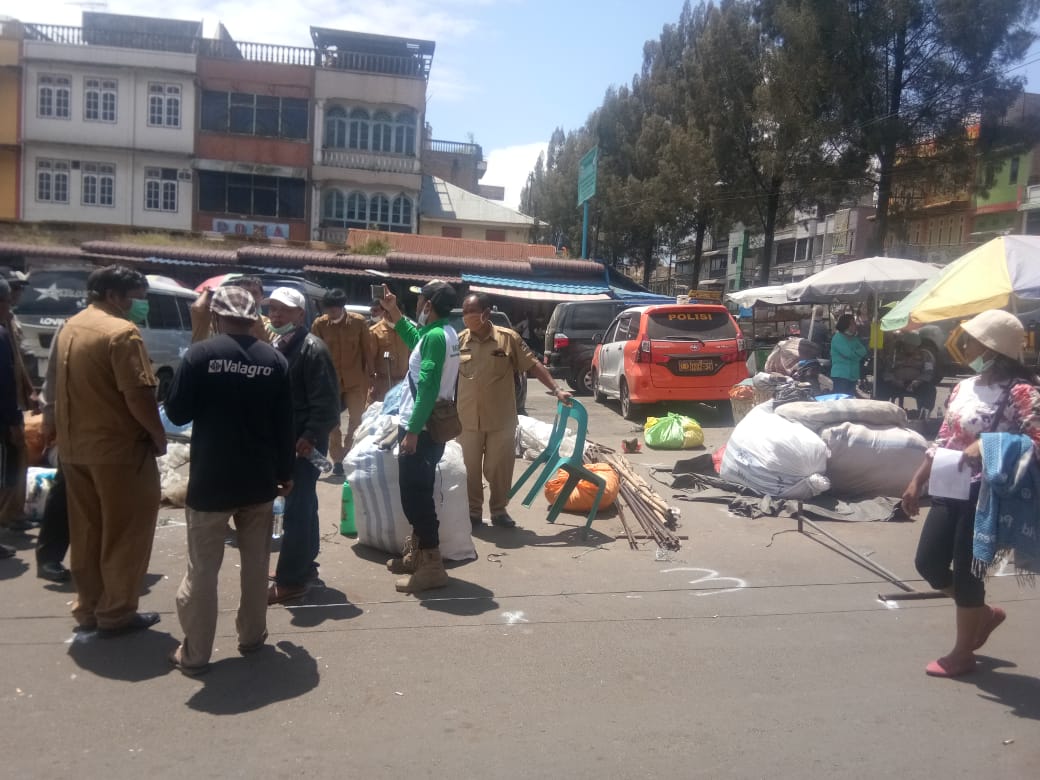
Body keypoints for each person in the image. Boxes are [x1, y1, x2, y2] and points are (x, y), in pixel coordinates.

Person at [901, 309, 1040, 678]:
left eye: (974, 340)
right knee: (928, 562)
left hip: (987, 497)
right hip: (949, 486)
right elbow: (944, 438)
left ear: (993, 347)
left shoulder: (1024, 393)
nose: (966, 345)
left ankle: (962, 653)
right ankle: (982, 612)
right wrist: (917, 481)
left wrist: (990, 444)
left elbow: (1038, 442)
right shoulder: (964, 387)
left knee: (967, 575)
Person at [164, 286, 295, 675]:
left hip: (211, 482)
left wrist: (195, 334)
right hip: (258, 482)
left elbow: (176, 411)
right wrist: (285, 474)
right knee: (256, 566)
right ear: (255, 318)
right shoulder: (274, 360)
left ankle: (196, 654)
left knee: (203, 569)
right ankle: (252, 637)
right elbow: (284, 425)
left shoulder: (201, 355)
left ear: (217, 317)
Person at [55, 265, 166, 636]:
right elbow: (138, 395)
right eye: (139, 298)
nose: (143, 305)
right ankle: (117, 612)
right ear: (115, 296)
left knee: (87, 530)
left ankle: (88, 606)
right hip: (119, 451)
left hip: (76, 447)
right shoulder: (122, 333)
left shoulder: (72, 325)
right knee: (126, 531)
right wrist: (158, 436)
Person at [457, 292, 571, 528]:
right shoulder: (459, 341)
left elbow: (533, 365)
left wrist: (557, 389)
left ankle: (499, 511)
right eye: (465, 312)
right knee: (469, 469)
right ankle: (473, 512)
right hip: (467, 419)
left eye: (472, 312)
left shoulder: (508, 339)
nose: (467, 317)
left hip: (501, 419)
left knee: (499, 469)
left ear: (486, 314)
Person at [378, 280, 460, 593]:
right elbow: (416, 338)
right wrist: (394, 312)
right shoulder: (442, 333)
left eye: (420, 299)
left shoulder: (438, 337)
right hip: (424, 426)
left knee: (415, 498)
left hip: (421, 429)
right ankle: (419, 555)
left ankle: (432, 566)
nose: (417, 304)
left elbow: (426, 387)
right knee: (417, 493)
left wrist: (412, 432)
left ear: (429, 305)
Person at [265, 287, 340, 605]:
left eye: (284, 310)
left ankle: (292, 579)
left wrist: (307, 439)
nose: (276, 315)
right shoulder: (279, 344)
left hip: (303, 444)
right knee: (303, 505)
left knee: (297, 508)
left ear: (300, 314)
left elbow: (327, 405)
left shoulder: (312, 349)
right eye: (272, 309)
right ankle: (304, 564)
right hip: (287, 440)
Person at [310, 288, 374, 474]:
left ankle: (349, 454)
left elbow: (367, 350)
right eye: (328, 309)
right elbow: (314, 352)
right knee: (332, 422)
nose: (331, 313)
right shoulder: (319, 324)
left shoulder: (358, 322)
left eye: (334, 309)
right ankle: (337, 459)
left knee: (356, 419)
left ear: (342, 307)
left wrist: (372, 376)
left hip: (355, 379)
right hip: (329, 381)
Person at [0, 268, 37, 532]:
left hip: (13, 405)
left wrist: (29, 390)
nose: (16, 295)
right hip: (5, 413)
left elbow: (16, 365)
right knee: (8, 469)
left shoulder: (10, 322)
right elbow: (4, 378)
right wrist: (12, 419)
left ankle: (12, 513)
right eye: (13, 290)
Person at [35, 322, 70, 582]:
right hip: (76, 427)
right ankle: (49, 558)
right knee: (64, 494)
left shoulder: (126, 327)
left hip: (111, 433)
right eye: (133, 298)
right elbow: (53, 375)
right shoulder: (71, 328)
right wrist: (49, 416)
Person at [190, 275, 272, 343]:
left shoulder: (267, 326)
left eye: (254, 293)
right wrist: (207, 292)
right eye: (244, 292)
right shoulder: (215, 321)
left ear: (262, 297)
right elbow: (197, 308)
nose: (249, 297)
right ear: (233, 296)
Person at [878, 331, 937, 415]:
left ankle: (923, 413)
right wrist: (894, 380)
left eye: (912, 346)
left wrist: (918, 381)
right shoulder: (894, 354)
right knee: (881, 387)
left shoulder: (925, 355)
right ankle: (882, 412)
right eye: (908, 345)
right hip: (896, 383)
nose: (910, 348)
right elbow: (887, 371)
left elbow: (928, 372)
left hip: (916, 384)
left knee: (930, 390)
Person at [368, 298, 410, 403]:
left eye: (394, 313)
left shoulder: (409, 331)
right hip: (382, 386)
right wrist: (371, 382)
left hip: (404, 384)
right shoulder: (374, 332)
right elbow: (369, 362)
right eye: (387, 312)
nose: (390, 316)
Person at [829, 313, 867, 397]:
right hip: (841, 375)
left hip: (853, 375)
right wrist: (857, 355)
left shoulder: (854, 338)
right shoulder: (838, 337)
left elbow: (864, 350)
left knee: (850, 400)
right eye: (853, 324)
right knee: (841, 400)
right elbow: (848, 353)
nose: (855, 326)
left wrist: (854, 354)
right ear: (846, 325)